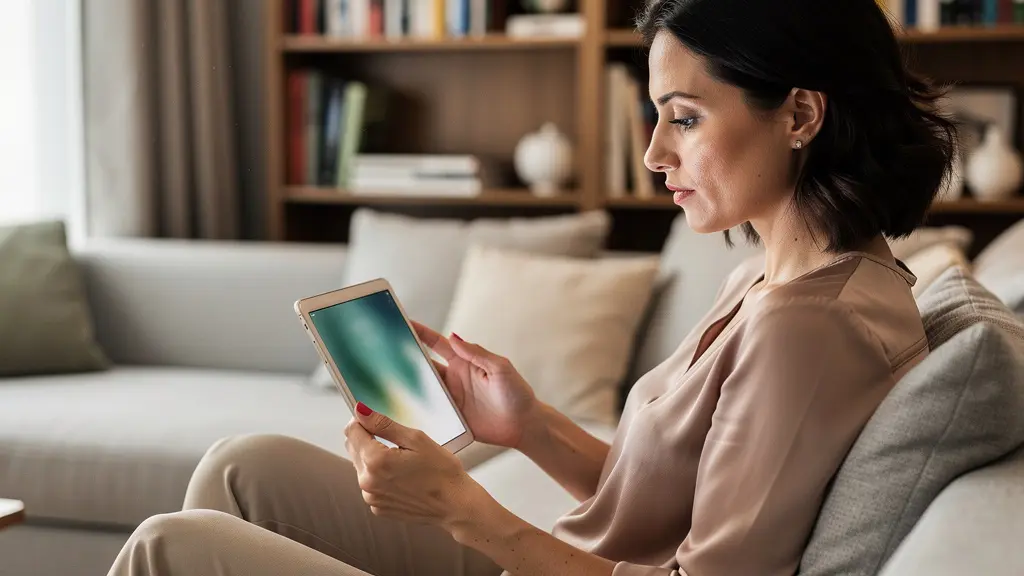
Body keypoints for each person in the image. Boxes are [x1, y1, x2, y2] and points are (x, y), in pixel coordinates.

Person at [107, 0, 956, 574]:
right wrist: (528, 426)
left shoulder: (809, 331)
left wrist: (467, 511)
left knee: (169, 547)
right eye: (657, 114)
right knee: (239, 466)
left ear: (802, 116)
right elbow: (663, 504)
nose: (657, 152)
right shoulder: (773, 277)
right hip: (556, 557)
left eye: (686, 118)